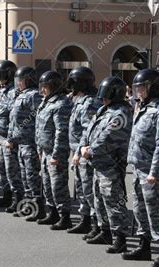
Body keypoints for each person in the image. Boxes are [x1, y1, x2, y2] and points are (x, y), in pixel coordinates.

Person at [122, 69, 159, 267]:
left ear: (153, 87)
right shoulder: (142, 107)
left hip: (153, 171)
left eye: (142, 88)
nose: (138, 92)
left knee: (156, 210)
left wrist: (155, 171)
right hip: (139, 168)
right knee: (139, 208)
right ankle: (144, 245)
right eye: (137, 88)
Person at [80, 76, 132, 251]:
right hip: (98, 163)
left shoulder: (121, 113)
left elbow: (108, 138)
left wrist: (90, 151)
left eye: (106, 94)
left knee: (113, 201)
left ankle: (120, 237)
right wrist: (83, 147)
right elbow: (89, 129)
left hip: (111, 164)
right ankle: (105, 231)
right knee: (99, 198)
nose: (103, 98)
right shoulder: (104, 109)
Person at [35, 71, 73, 230]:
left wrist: (56, 154)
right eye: (42, 87)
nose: (43, 90)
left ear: (55, 87)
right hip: (46, 150)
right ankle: (53, 212)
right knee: (47, 183)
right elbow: (39, 127)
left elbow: (61, 131)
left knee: (58, 185)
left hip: (55, 152)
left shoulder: (61, 104)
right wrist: (40, 148)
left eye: (46, 87)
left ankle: (65, 216)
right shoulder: (46, 102)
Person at [6, 66, 44, 220]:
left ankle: (38, 208)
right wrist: (11, 138)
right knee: (25, 176)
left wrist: (39, 144)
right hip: (21, 143)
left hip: (30, 143)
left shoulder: (34, 95)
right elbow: (13, 120)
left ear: (28, 80)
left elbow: (40, 120)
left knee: (32, 176)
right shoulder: (21, 95)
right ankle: (29, 206)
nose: (18, 83)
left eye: (21, 80)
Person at [67, 66, 101, 237]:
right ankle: (85, 220)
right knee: (81, 188)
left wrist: (79, 153)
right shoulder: (80, 100)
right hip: (78, 152)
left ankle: (97, 224)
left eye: (74, 82)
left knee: (90, 190)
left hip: (86, 154)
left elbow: (88, 131)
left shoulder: (90, 102)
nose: (71, 86)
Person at [0, 60, 22, 209]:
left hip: (10, 137)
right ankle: (7, 196)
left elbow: (14, 118)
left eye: (2, 74)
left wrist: (10, 138)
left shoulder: (14, 92)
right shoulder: (2, 91)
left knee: (12, 170)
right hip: (1, 135)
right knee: (3, 169)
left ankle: (18, 199)